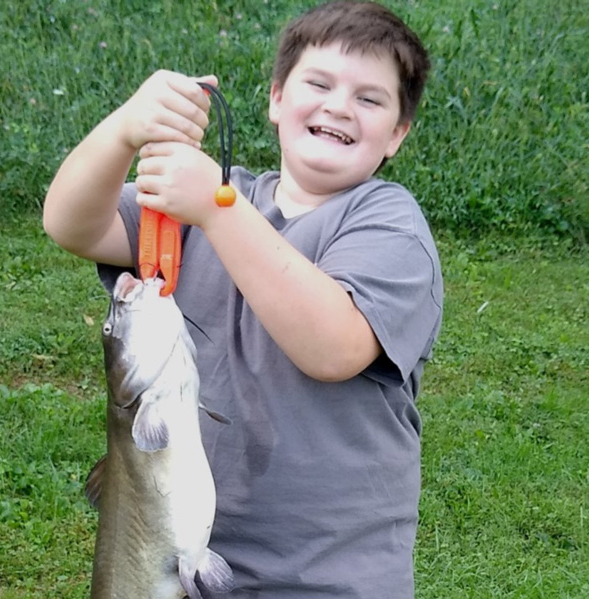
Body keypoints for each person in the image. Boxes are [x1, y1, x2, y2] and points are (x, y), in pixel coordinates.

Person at [43, 1, 443, 597]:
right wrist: (125, 128)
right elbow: (71, 224)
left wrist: (215, 207)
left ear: (397, 134)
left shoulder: (388, 224)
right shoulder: (201, 204)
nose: (339, 105)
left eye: (369, 98)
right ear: (277, 99)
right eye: (320, 83)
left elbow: (333, 347)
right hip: (185, 563)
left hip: (326, 577)